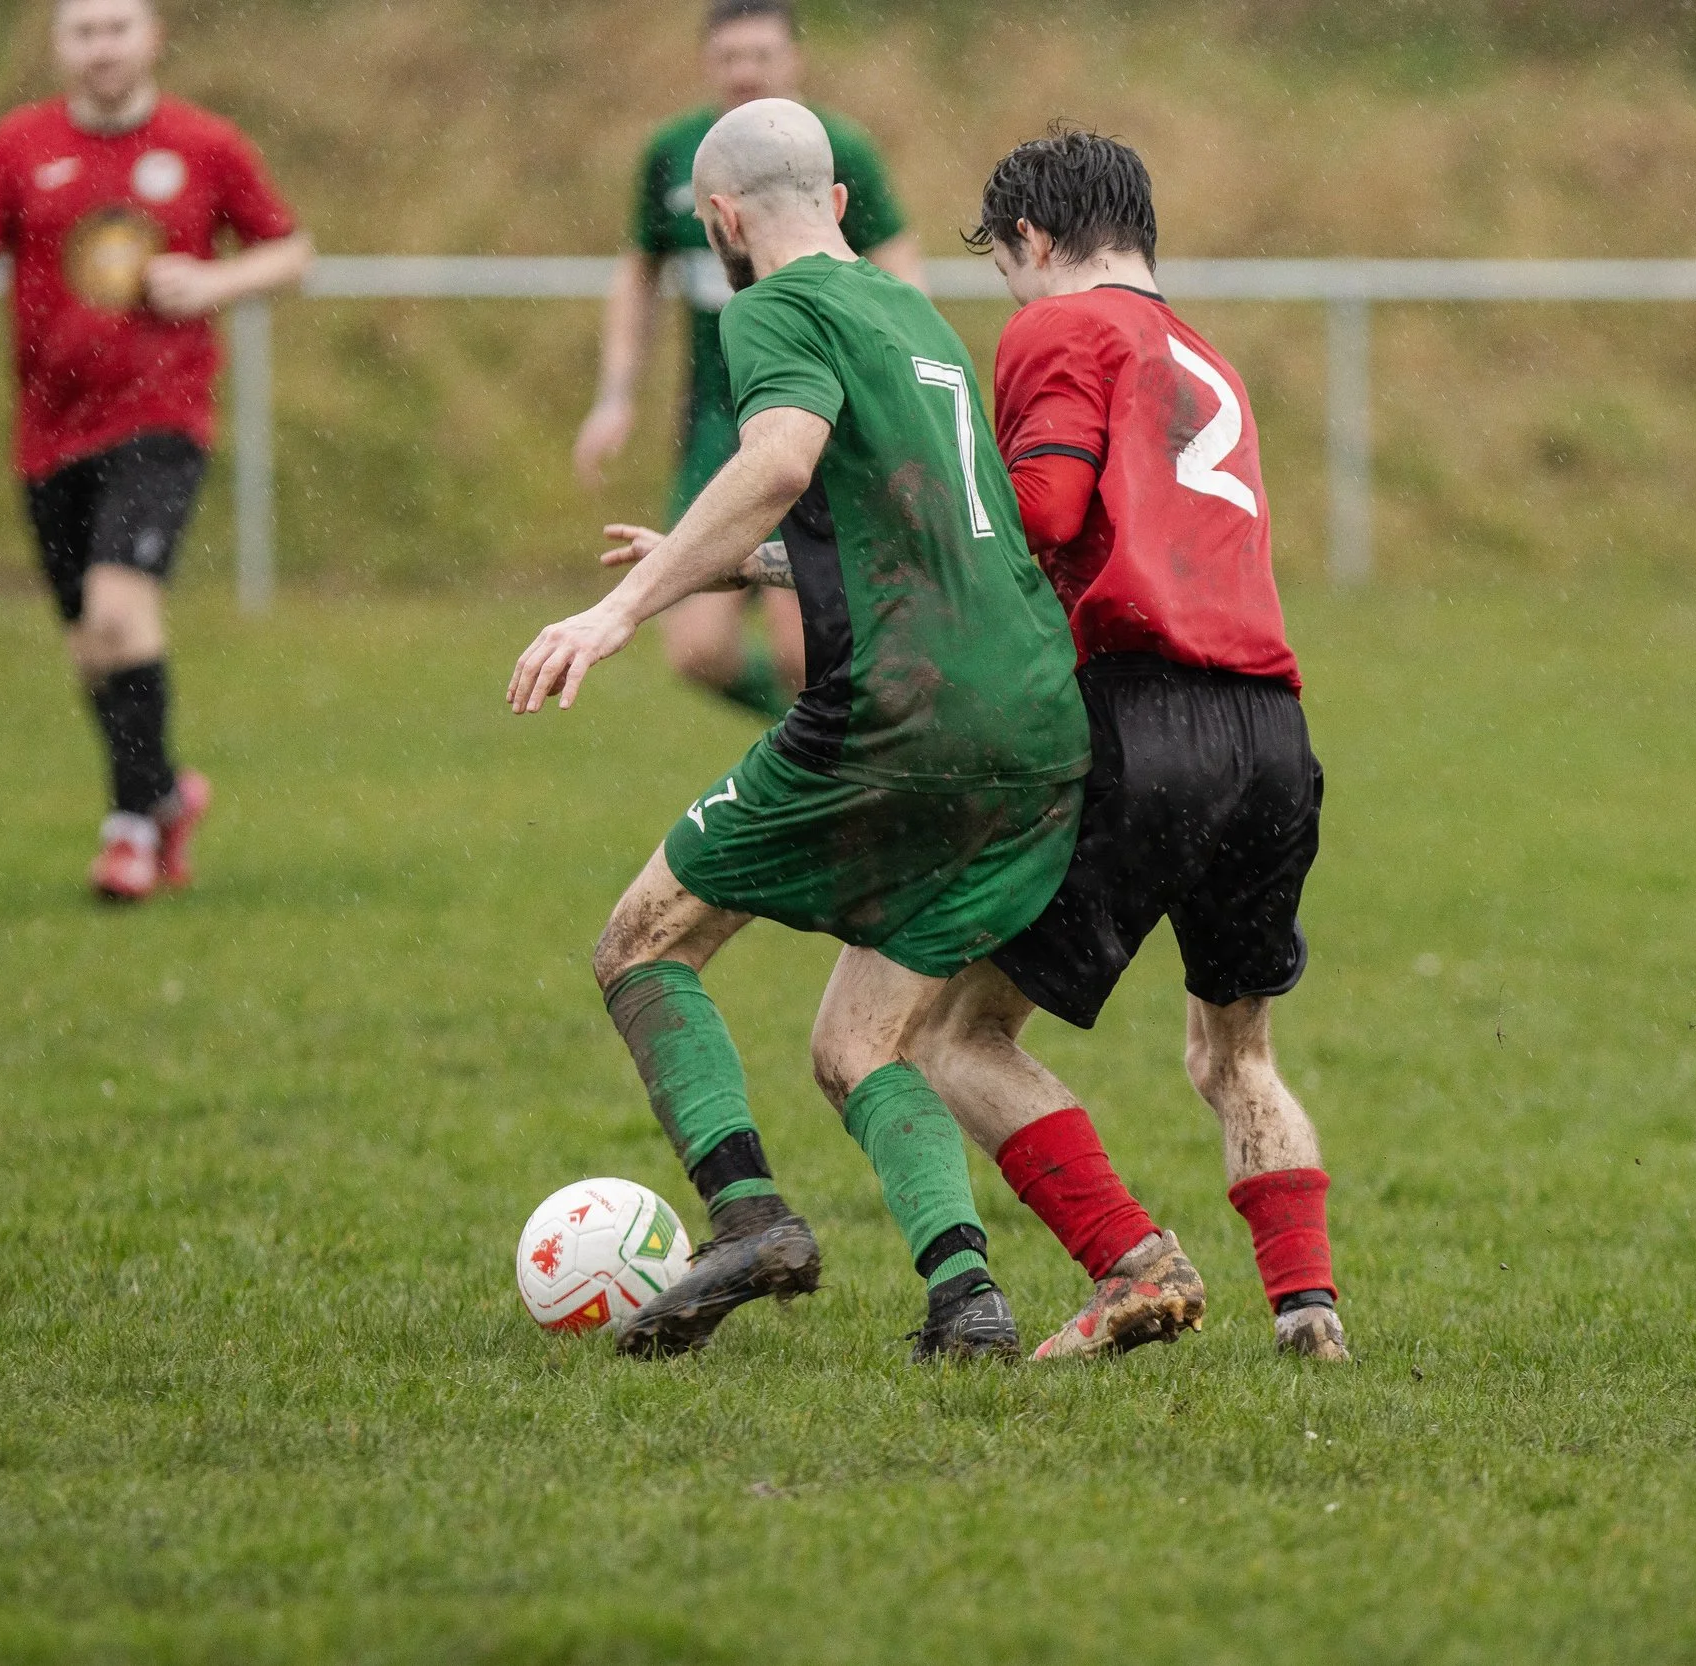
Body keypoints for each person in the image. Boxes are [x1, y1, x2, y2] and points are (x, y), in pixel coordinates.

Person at [509, 100, 1088, 1362]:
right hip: (1036, 720)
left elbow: (775, 459)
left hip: (898, 715)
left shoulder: (764, 306)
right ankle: (965, 1298)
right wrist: (709, 567)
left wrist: (617, 611)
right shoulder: (915, 313)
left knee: (639, 946)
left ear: (719, 219)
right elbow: (905, 536)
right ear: (836, 202)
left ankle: (750, 1218)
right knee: (858, 1041)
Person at [913, 128, 1350, 1363]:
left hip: (1142, 720)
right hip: (1269, 727)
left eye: (1005, 263)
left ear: (1034, 240)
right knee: (1234, 1050)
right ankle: (1307, 1310)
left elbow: (1044, 509)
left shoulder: (1058, 328)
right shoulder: (1203, 353)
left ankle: (1132, 1261)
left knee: (956, 1036)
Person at [0, 0, 311, 901]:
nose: (102, 46)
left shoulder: (204, 144)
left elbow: (291, 252)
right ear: (59, 45)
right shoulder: (20, 145)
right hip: (49, 434)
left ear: (153, 37)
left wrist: (217, 279)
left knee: (117, 613)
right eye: (83, 30)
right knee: (92, 648)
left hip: (161, 422)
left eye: (117, 27)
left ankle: (129, 829)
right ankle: (168, 794)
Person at [571, 0, 923, 723]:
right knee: (697, 650)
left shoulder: (838, 148)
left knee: (805, 650)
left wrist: (897, 386)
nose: (745, 72)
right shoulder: (677, 152)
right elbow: (639, 271)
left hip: (816, 412)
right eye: (729, 57)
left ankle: (834, 749)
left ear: (794, 59)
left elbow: (899, 272)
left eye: (760, 55)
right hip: (715, 418)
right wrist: (615, 394)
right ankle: (834, 737)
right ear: (707, 63)